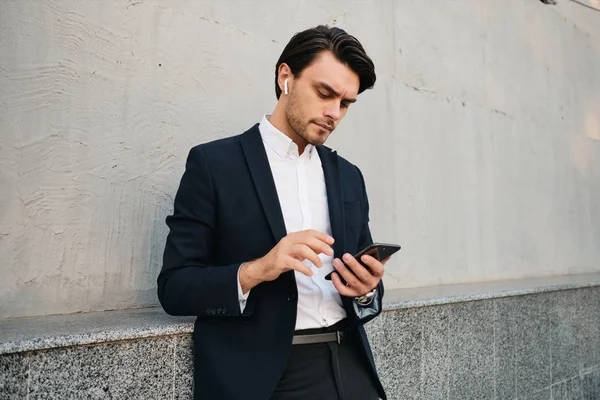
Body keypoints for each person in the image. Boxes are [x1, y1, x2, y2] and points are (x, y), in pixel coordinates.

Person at [158, 25, 391, 400]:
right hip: (265, 376)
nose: (334, 113)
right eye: (324, 93)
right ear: (286, 77)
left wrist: (366, 290)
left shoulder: (349, 177)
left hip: (350, 364)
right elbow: (174, 287)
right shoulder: (215, 164)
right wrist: (260, 269)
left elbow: (364, 284)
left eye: (345, 103)